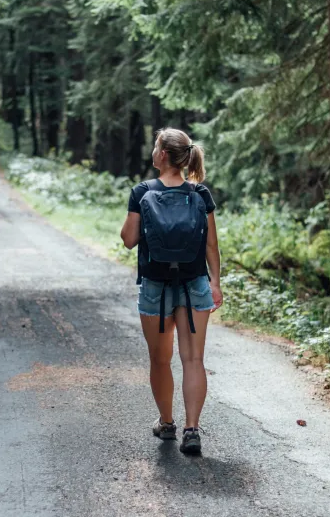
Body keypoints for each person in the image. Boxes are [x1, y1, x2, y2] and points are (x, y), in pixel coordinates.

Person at [120, 127, 223, 455]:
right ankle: (192, 430)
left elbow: (128, 239)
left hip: (155, 285)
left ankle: (167, 423)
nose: (153, 150)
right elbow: (211, 245)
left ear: (163, 155)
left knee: (160, 359)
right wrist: (215, 283)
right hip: (195, 285)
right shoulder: (200, 194)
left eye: (155, 146)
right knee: (193, 359)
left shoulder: (142, 191)